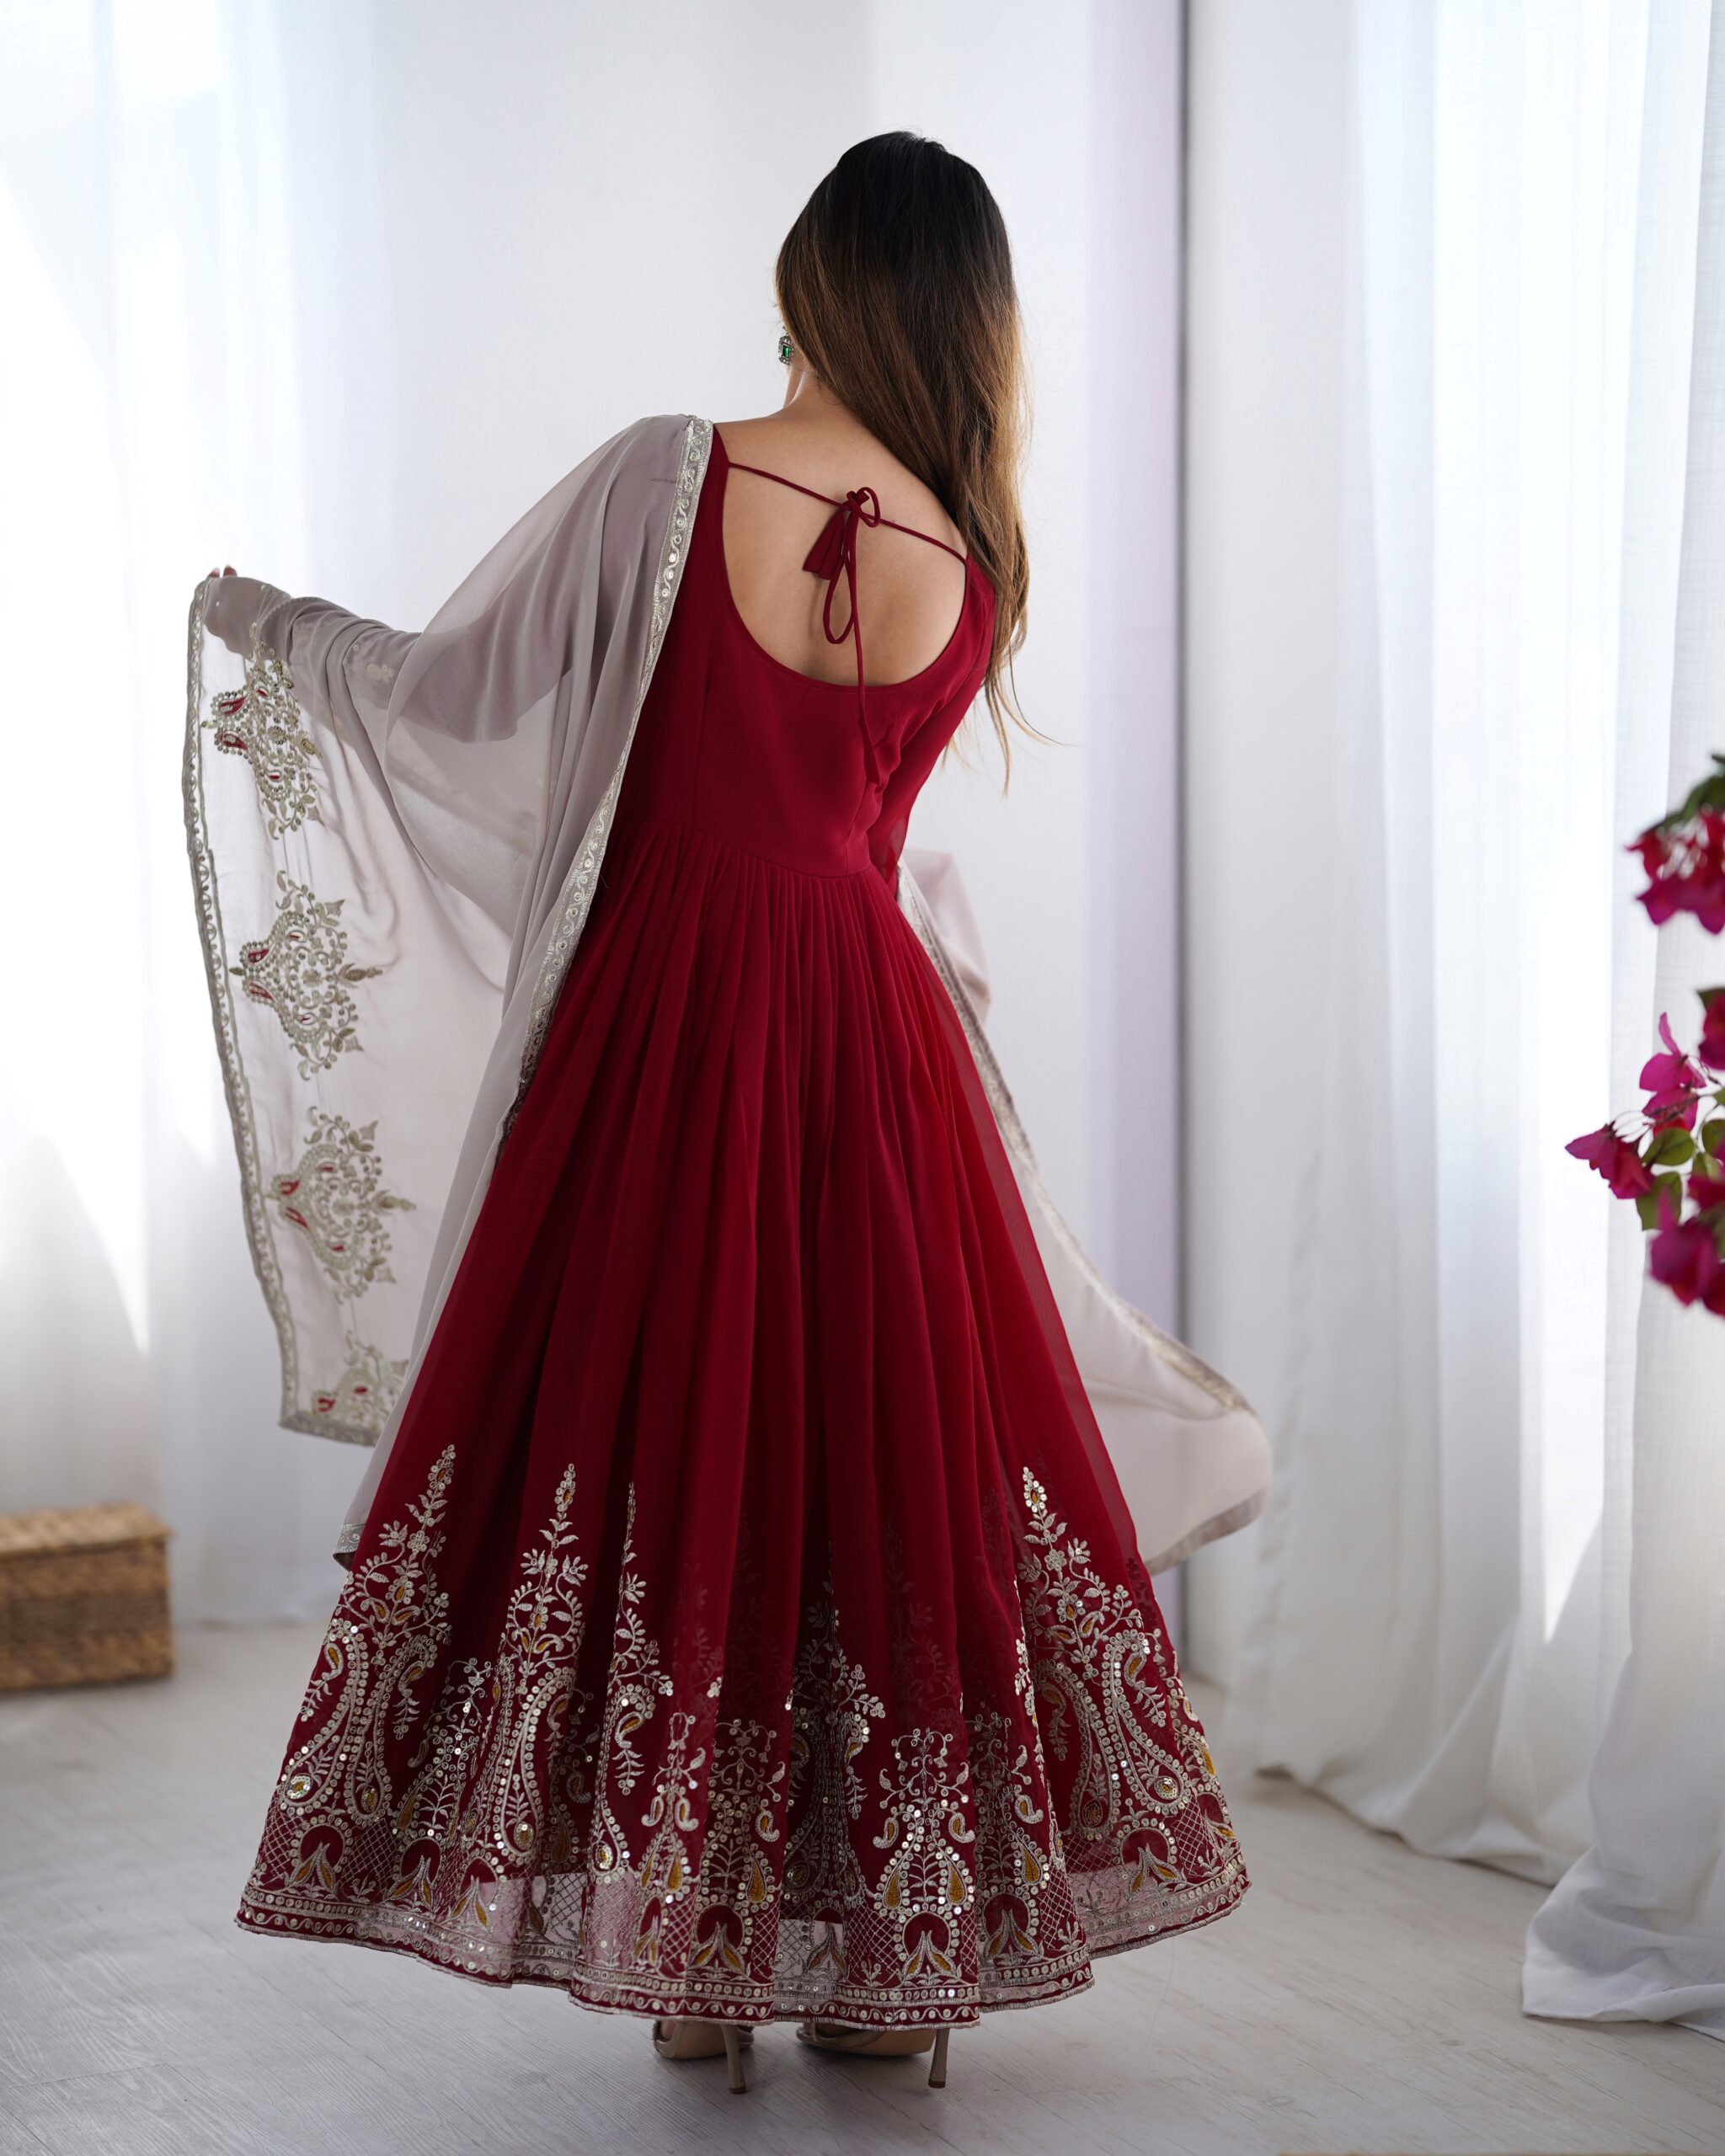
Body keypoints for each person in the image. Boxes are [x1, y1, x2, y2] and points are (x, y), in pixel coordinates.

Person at [190, 133, 1264, 2095]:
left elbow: (458, 698)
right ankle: (886, 1969)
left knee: (670, 1437)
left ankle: (690, 1947)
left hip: (667, 1025)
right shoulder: (970, 555)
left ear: (808, 280)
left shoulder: (672, 472)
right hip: (869, 1038)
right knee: (874, 1455)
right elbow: (876, 844)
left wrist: (279, 628)